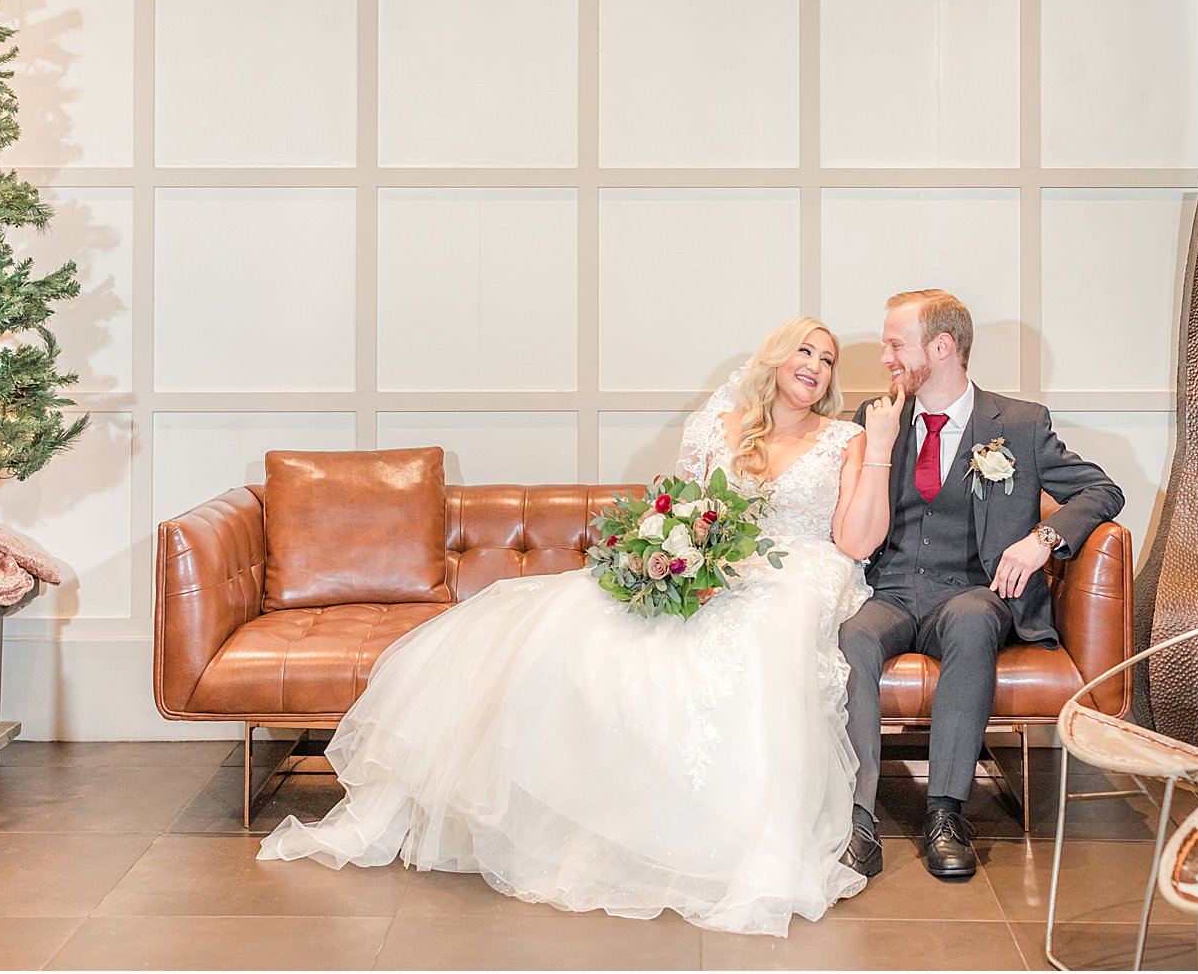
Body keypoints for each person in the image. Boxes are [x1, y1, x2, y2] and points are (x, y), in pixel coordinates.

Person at [258, 316, 905, 938]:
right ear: (776, 357)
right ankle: (589, 817)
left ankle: (727, 833)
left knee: (750, 646)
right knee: (583, 632)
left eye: (827, 360)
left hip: (796, 573)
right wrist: (680, 556)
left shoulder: (842, 440)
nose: (816, 367)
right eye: (806, 352)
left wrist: (877, 450)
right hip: (718, 566)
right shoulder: (716, 426)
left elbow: (854, 540)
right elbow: (682, 507)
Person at [838, 289, 1123, 881]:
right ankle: (858, 818)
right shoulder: (875, 418)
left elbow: (1103, 490)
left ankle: (946, 812)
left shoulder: (1018, 424)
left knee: (971, 620)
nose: (886, 357)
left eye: (896, 344)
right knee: (853, 638)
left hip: (970, 591)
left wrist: (1040, 540)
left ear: (942, 347)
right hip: (888, 591)